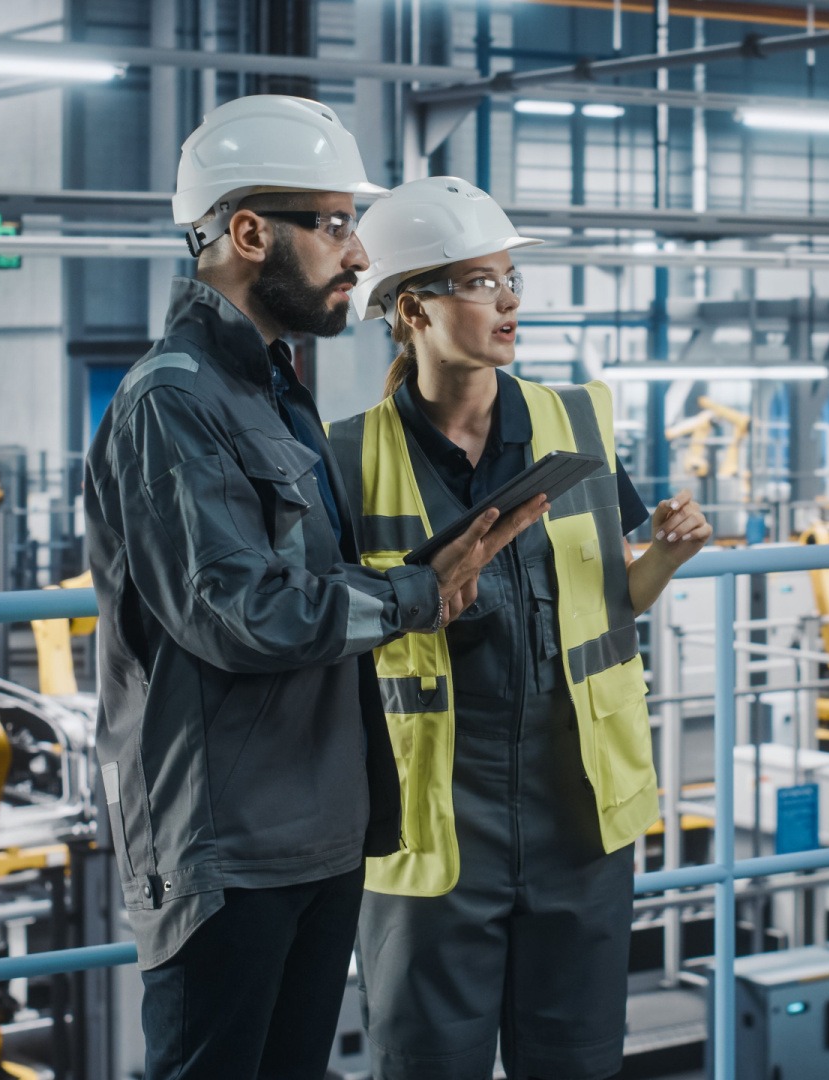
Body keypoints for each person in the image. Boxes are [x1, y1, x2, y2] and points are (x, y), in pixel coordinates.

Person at [83, 100, 543, 1080]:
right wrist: (417, 593)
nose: (357, 252)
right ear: (249, 233)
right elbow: (236, 614)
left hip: (317, 830)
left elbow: (305, 586)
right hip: (227, 846)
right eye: (333, 224)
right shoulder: (173, 400)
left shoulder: (277, 391)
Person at [330, 176, 713, 1080]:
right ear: (410, 309)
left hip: (577, 811)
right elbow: (327, 627)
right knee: (426, 1062)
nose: (506, 301)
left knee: (576, 1060)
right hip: (429, 824)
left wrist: (666, 554)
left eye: (510, 281)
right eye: (477, 283)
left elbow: (615, 597)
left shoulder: (574, 420)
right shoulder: (346, 458)